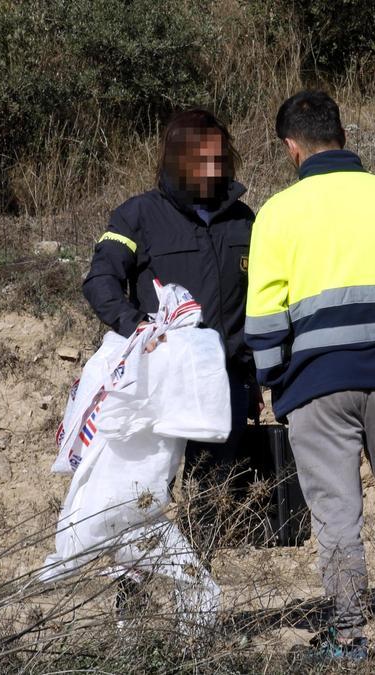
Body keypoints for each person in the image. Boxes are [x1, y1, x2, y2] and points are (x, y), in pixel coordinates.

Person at [245, 91, 375, 659]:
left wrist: (274, 380)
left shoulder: (277, 214)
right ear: (341, 134)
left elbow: (264, 316)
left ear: (292, 148)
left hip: (316, 388)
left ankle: (349, 635)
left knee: (336, 515)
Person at [82, 108, 258, 579]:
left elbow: (258, 300)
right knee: (140, 498)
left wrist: (257, 376)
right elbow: (100, 280)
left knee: (211, 498)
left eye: (219, 160)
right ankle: (133, 612)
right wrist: (138, 329)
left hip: (224, 385)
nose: (212, 170)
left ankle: (195, 607)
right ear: (176, 160)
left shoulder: (244, 219)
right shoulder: (138, 214)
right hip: (156, 386)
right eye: (200, 161)